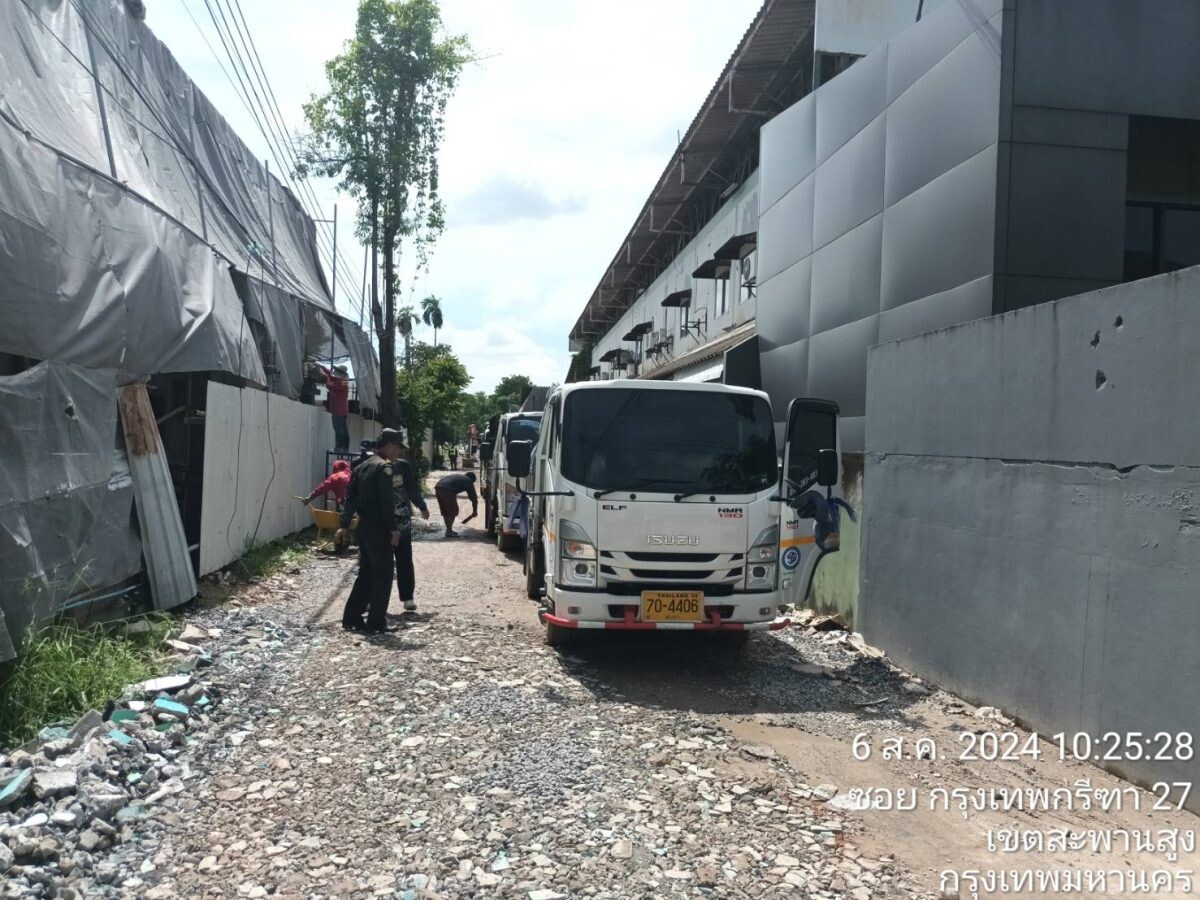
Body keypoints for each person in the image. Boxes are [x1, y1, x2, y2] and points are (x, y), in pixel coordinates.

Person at [337, 428, 403, 634]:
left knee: (366, 572)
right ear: (390, 445)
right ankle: (376, 621)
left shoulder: (362, 466)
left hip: (364, 526)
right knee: (383, 574)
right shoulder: (384, 468)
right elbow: (386, 502)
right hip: (379, 527)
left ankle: (352, 617)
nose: (399, 452)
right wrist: (393, 529)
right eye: (398, 448)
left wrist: (345, 523)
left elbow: (351, 497)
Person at [389, 439, 430, 612]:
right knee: (377, 562)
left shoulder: (403, 467)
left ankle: (407, 597)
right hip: (380, 522)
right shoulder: (372, 465)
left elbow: (412, 488)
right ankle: (371, 599)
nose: (400, 452)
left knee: (404, 559)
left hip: (402, 521)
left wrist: (422, 505)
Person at [314, 364, 351, 451]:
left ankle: (340, 447)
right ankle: (344, 447)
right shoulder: (342, 380)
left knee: (339, 429)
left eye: (336, 371)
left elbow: (330, 386)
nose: (334, 372)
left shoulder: (342, 382)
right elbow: (331, 376)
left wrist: (326, 377)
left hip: (339, 410)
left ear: (341, 373)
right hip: (341, 410)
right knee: (342, 429)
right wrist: (322, 367)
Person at [434, 471, 478, 538]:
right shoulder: (469, 481)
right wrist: (475, 511)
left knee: (446, 511)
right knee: (453, 511)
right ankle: (449, 531)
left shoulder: (460, 477)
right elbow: (474, 498)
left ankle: (449, 530)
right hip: (448, 490)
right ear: (472, 480)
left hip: (438, 487)